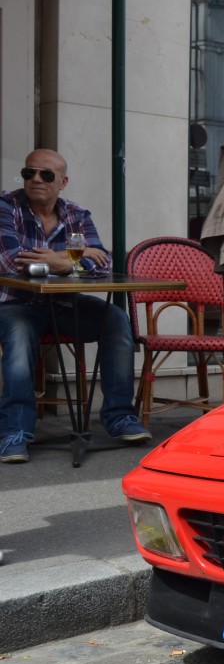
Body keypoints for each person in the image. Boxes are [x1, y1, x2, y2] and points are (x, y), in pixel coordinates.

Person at [0, 149, 151, 463]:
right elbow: (11, 261)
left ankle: (120, 417)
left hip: (64, 305)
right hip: (15, 304)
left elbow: (103, 261)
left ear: (63, 181)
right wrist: (68, 261)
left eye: (46, 174)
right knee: (18, 333)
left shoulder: (77, 214)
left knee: (115, 319)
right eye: (29, 173)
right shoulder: (6, 206)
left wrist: (63, 264)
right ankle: (14, 433)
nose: (36, 179)